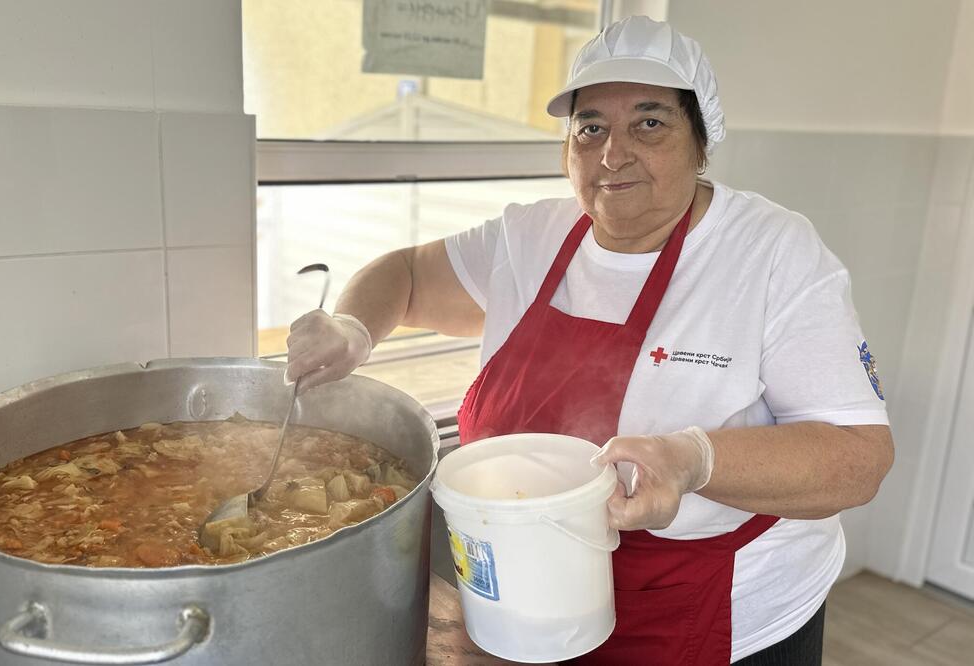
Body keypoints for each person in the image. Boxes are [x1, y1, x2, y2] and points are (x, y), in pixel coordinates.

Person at [285, 15, 894, 666]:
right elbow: (403, 275)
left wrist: (695, 460)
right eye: (591, 126)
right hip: (529, 600)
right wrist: (351, 326)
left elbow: (859, 459)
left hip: (711, 613)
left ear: (701, 140)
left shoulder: (772, 254)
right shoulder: (529, 237)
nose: (613, 152)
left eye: (650, 122)